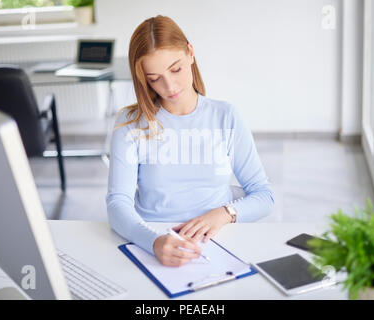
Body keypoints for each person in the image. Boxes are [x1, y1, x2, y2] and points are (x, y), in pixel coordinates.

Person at [106, 15, 274, 267]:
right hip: (150, 242)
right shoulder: (129, 123)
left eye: (176, 69)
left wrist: (224, 213)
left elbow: (264, 196)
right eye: (154, 78)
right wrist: (153, 242)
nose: (170, 86)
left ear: (190, 54)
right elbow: (117, 204)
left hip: (218, 241)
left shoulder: (225, 115)